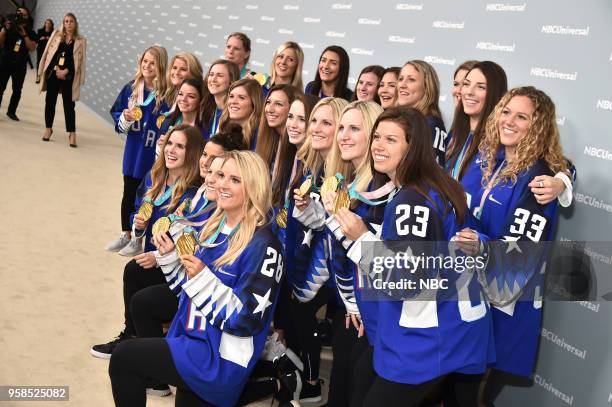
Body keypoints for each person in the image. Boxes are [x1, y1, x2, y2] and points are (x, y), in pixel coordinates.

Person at [334, 106, 491, 407]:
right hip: (459, 329)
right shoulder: (438, 184)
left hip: (433, 337)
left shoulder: (412, 200)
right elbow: (475, 237)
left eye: (391, 140)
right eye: (377, 136)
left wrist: (361, 239)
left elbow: (407, 282)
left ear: (413, 147)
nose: (378, 145)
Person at [109, 151, 285, 407]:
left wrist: (203, 277)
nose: (223, 184)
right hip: (191, 340)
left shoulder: (265, 245)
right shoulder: (215, 226)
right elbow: (188, 294)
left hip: (216, 360)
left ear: (254, 186)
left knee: (125, 358)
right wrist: (171, 258)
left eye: (235, 179)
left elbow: (246, 321)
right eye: (222, 175)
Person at [453, 87, 568, 406]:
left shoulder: (540, 179)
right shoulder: (487, 159)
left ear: (539, 126)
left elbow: (518, 260)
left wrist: (479, 244)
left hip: (503, 309)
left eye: (522, 116)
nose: (510, 121)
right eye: (506, 112)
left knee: (474, 397)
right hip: (468, 296)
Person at [91, 124, 205, 361]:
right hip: (155, 258)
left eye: (180, 146)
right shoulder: (154, 178)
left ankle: (144, 350)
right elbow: (138, 217)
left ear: (191, 153)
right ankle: (131, 335)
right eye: (170, 143)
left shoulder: (193, 194)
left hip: (179, 269)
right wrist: (138, 227)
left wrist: (161, 257)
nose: (171, 150)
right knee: (134, 270)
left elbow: (191, 241)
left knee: (137, 275)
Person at [287, 97, 349, 402]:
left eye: (327, 122)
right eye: (314, 121)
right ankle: (302, 374)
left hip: (334, 266)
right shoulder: (314, 165)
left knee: (304, 311)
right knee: (297, 311)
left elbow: (337, 224)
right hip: (310, 257)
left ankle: (311, 382)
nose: (316, 128)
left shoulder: (343, 173)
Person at [106, 45, 169, 255]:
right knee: (128, 191)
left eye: (153, 62)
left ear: (160, 66)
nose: (148, 66)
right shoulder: (131, 89)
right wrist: (124, 117)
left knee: (146, 195)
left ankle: (137, 238)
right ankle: (125, 233)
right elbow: (116, 113)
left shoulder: (166, 94)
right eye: (145, 61)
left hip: (152, 153)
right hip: (134, 151)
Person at [38, 13, 86, 147]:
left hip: (69, 76)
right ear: (63, 23)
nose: (68, 24)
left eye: (71, 21)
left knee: (69, 105)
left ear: (75, 23)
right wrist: (56, 69)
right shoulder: (56, 35)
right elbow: (49, 54)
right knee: (50, 101)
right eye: (66, 21)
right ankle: (48, 128)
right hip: (54, 73)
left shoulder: (81, 40)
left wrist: (66, 71)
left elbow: (80, 61)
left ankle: (72, 133)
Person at [396, 60, 447, 165]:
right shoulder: (399, 121)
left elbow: (431, 171)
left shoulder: (431, 124)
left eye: (411, 80)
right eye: (400, 79)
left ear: (427, 86)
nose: (402, 85)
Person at [0, 8, 37, 121]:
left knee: (17, 89)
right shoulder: (8, 27)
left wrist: (25, 35)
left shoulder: (30, 32)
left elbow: (32, 47)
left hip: (20, 64)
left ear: (27, 18)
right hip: (5, 61)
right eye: (18, 13)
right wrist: (3, 30)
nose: (20, 16)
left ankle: (11, 112)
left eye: (23, 15)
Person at [255, 84, 297, 173]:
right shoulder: (270, 140)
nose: (270, 109)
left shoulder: (297, 146)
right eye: (268, 102)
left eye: (278, 104)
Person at [217, 78, 263, 149]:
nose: (233, 101)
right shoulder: (224, 128)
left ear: (254, 103)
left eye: (241, 98)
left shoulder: (259, 136)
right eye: (231, 96)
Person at [201, 59, 240, 138]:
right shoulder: (207, 109)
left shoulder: (235, 114)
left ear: (231, 81)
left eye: (220, 75)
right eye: (211, 74)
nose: (213, 79)